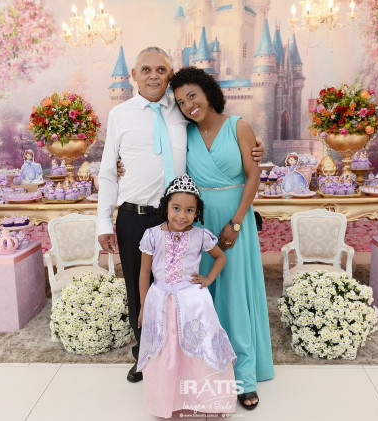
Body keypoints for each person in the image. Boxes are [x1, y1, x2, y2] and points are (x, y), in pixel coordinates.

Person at [97, 46, 263, 384]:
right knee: (139, 287)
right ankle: (145, 355)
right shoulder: (120, 115)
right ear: (134, 75)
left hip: (181, 218)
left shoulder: (182, 110)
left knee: (185, 288)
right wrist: (103, 221)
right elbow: (108, 172)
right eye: (146, 70)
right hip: (135, 213)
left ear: (169, 75)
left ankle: (186, 357)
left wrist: (255, 149)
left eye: (161, 70)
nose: (153, 76)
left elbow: (218, 133)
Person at [170, 66, 274, 410]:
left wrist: (237, 222)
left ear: (208, 92)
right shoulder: (183, 134)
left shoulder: (238, 126)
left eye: (192, 96)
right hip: (199, 224)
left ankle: (243, 376)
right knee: (203, 295)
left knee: (235, 294)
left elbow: (253, 175)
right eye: (181, 102)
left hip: (234, 220)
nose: (189, 105)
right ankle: (207, 370)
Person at [137, 174, 237, 418]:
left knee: (199, 347)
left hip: (193, 302)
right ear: (166, 207)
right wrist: (143, 307)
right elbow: (144, 273)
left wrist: (208, 279)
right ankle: (168, 400)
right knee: (165, 350)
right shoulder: (151, 235)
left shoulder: (200, 235)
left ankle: (206, 401)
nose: (182, 215)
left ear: (196, 212)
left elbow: (220, 257)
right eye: (176, 208)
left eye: (189, 210)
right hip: (160, 301)